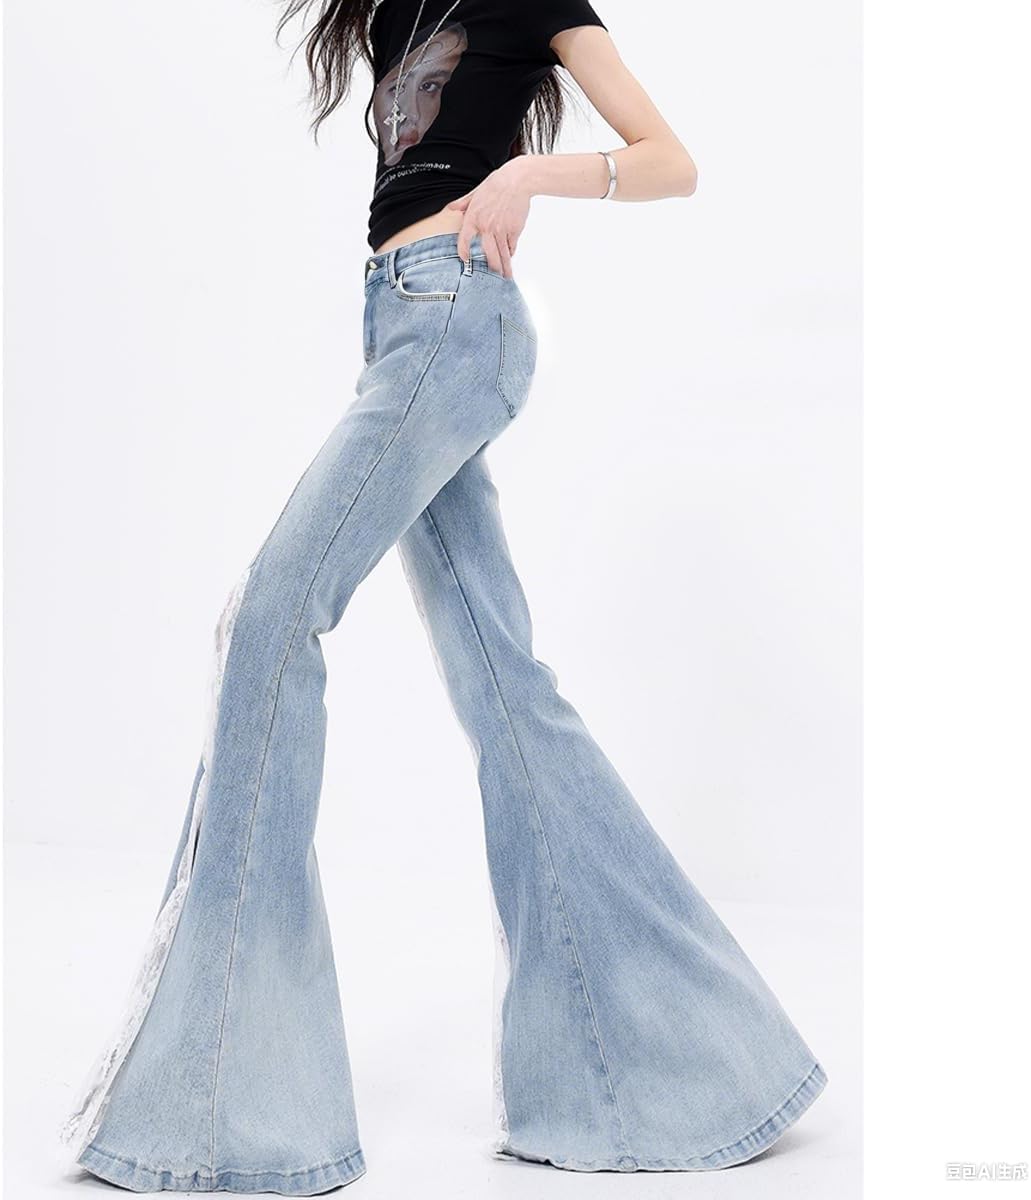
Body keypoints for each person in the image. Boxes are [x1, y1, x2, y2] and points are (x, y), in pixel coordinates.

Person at [58, 0, 828, 1192]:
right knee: (502, 685)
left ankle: (224, 1108)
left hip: (454, 319)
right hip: (398, 326)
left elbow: (669, 159)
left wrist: (526, 175)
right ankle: (679, 1077)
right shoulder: (387, 16)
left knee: (267, 619)